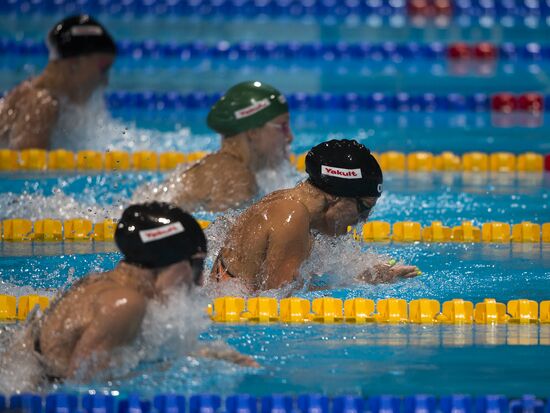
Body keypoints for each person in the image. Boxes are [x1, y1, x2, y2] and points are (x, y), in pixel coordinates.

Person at [4, 202, 256, 387]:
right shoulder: (124, 305)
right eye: (197, 266)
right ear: (173, 261)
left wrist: (209, 355)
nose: (200, 281)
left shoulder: (106, 285)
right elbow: (81, 393)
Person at [211, 139, 420, 292]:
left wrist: (366, 274)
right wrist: (355, 284)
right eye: (363, 207)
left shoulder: (288, 203)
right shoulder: (293, 215)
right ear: (337, 197)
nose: (363, 219)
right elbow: (278, 297)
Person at [134, 81, 294, 212]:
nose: (289, 137)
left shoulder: (219, 167)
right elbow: (224, 246)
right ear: (253, 132)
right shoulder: (237, 178)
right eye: (283, 126)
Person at [0, 15, 116, 149]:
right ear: (74, 63)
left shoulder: (37, 92)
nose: (105, 81)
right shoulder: (42, 105)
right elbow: (30, 166)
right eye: (103, 69)